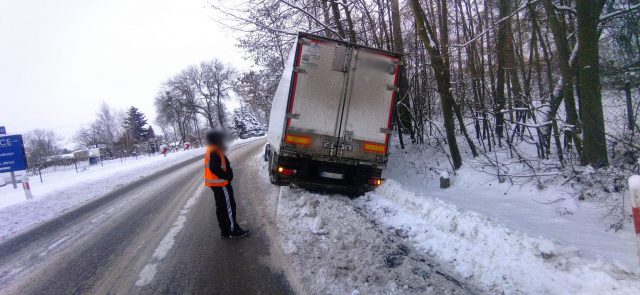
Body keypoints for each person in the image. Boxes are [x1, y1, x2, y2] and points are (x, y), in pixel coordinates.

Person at [204, 129, 249, 239]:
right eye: (220, 138)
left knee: (221, 208)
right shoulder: (214, 150)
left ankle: (225, 230)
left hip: (217, 185)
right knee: (229, 207)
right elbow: (214, 168)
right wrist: (227, 177)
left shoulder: (212, 149)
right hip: (221, 184)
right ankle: (232, 230)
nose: (222, 140)